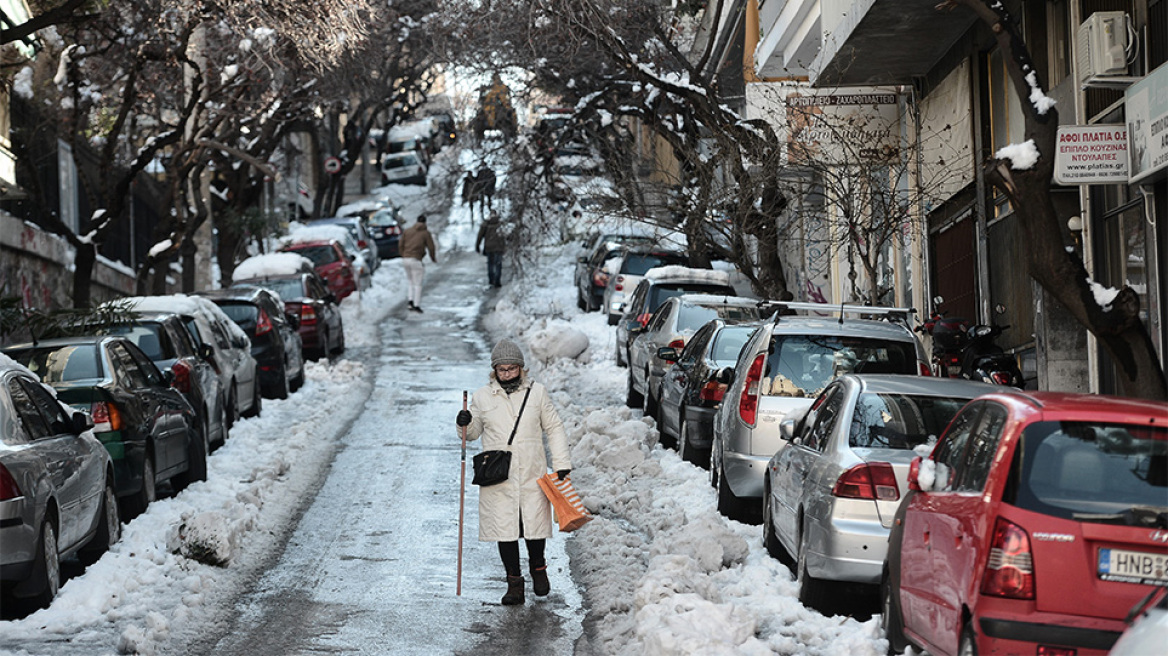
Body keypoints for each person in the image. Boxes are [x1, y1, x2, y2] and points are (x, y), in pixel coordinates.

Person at [456, 339, 571, 605]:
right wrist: (464, 423)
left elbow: (554, 427)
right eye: (501, 369)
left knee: (534, 526)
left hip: (531, 470)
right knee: (504, 530)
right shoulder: (482, 396)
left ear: (521, 368)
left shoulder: (537, 393)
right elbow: (471, 434)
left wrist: (561, 462)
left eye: (511, 369)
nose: (507, 374)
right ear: (494, 370)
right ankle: (514, 583)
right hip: (498, 474)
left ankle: (538, 568)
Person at [399, 215, 438, 312]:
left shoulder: (407, 231)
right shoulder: (426, 233)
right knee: (417, 284)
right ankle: (416, 305)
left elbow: (400, 244)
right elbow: (431, 247)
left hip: (406, 259)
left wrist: (403, 254)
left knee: (410, 281)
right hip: (416, 259)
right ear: (425, 222)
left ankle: (410, 301)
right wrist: (433, 258)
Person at [475, 210, 506, 287]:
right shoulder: (501, 224)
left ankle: (491, 280)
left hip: (489, 247)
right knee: (498, 264)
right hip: (499, 247)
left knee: (490, 264)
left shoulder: (485, 224)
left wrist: (477, 246)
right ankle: (497, 281)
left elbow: (480, 236)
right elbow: (507, 234)